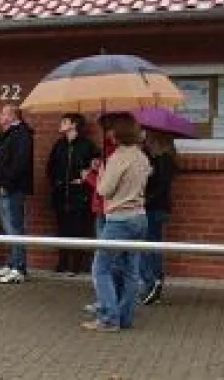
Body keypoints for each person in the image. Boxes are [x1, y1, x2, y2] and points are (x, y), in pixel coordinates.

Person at [82, 113, 150, 333]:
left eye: (112, 130)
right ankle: (125, 316)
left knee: (101, 268)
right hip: (139, 216)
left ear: (118, 133)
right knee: (130, 270)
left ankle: (109, 317)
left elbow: (104, 190)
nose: (109, 133)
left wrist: (100, 172)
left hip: (119, 218)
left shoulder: (118, 157)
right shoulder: (141, 156)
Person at [0, 104, 34, 284]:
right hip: (3, 187)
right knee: (8, 228)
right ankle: (13, 262)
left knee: (15, 227)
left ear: (13, 116)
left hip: (13, 189)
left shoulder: (22, 134)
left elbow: (19, 163)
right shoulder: (7, 134)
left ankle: (19, 268)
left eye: (3, 113)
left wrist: (7, 183)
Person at [46, 113, 99, 275]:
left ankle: (76, 265)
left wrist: (84, 179)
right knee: (62, 229)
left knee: (78, 229)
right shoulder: (59, 145)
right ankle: (62, 262)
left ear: (74, 125)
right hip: (61, 194)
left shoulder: (87, 145)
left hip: (79, 195)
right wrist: (56, 181)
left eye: (65, 122)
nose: (61, 124)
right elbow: (50, 167)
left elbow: (96, 167)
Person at [139, 126, 178, 305]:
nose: (145, 138)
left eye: (148, 135)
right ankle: (153, 284)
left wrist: (146, 200)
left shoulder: (164, 160)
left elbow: (162, 186)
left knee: (151, 246)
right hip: (153, 207)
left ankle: (154, 283)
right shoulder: (154, 157)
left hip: (155, 208)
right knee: (149, 246)